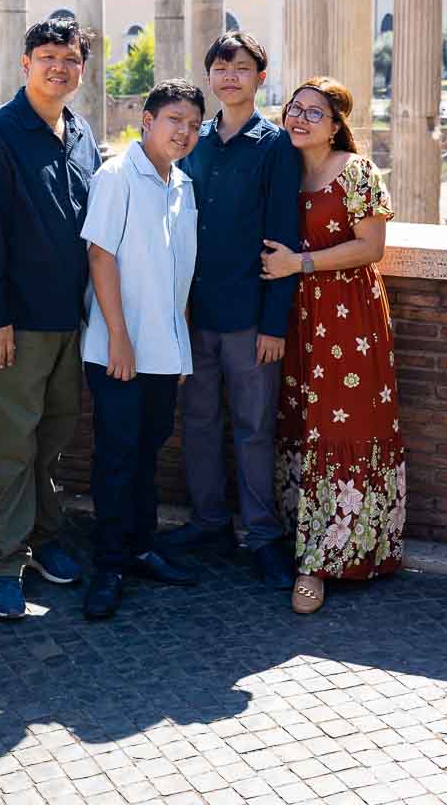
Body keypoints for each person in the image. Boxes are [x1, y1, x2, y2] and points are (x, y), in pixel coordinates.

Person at [0, 18, 101, 620]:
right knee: (12, 445)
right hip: (15, 325)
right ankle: (0, 564)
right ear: (24, 64)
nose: (58, 68)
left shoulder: (81, 132)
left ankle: (42, 538)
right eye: (47, 57)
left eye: (69, 59)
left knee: (52, 440)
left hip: (70, 319)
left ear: (82, 69)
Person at [158, 33, 301, 588]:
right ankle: (210, 521)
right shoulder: (194, 142)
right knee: (196, 423)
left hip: (249, 317)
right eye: (220, 68)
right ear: (210, 76)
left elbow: (283, 240)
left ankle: (262, 536)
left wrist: (273, 323)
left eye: (241, 68)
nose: (230, 77)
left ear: (260, 78)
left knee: (255, 427)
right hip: (195, 314)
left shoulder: (276, 148)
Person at [261, 76, 404, 615]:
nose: (299, 118)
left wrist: (299, 263)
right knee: (299, 423)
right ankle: (299, 541)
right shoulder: (282, 168)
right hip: (296, 317)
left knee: (346, 425)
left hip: (349, 318)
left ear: (336, 123)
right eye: (294, 108)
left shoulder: (357, 171)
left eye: (313, 112)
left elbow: (371, 246)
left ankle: (323, 560)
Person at [80, 80, 205, 620]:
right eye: (174, 120)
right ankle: (107, 566)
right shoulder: (117, 177)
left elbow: (178, 278)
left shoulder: (183, 185)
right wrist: (120, 339)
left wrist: (176, 351)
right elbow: (100, 257)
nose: (184, 132)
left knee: (146, 456)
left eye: (194, 125)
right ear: (147, 121)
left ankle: (141, 548)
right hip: (119, 351)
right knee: (116, 458)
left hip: (163, 349)